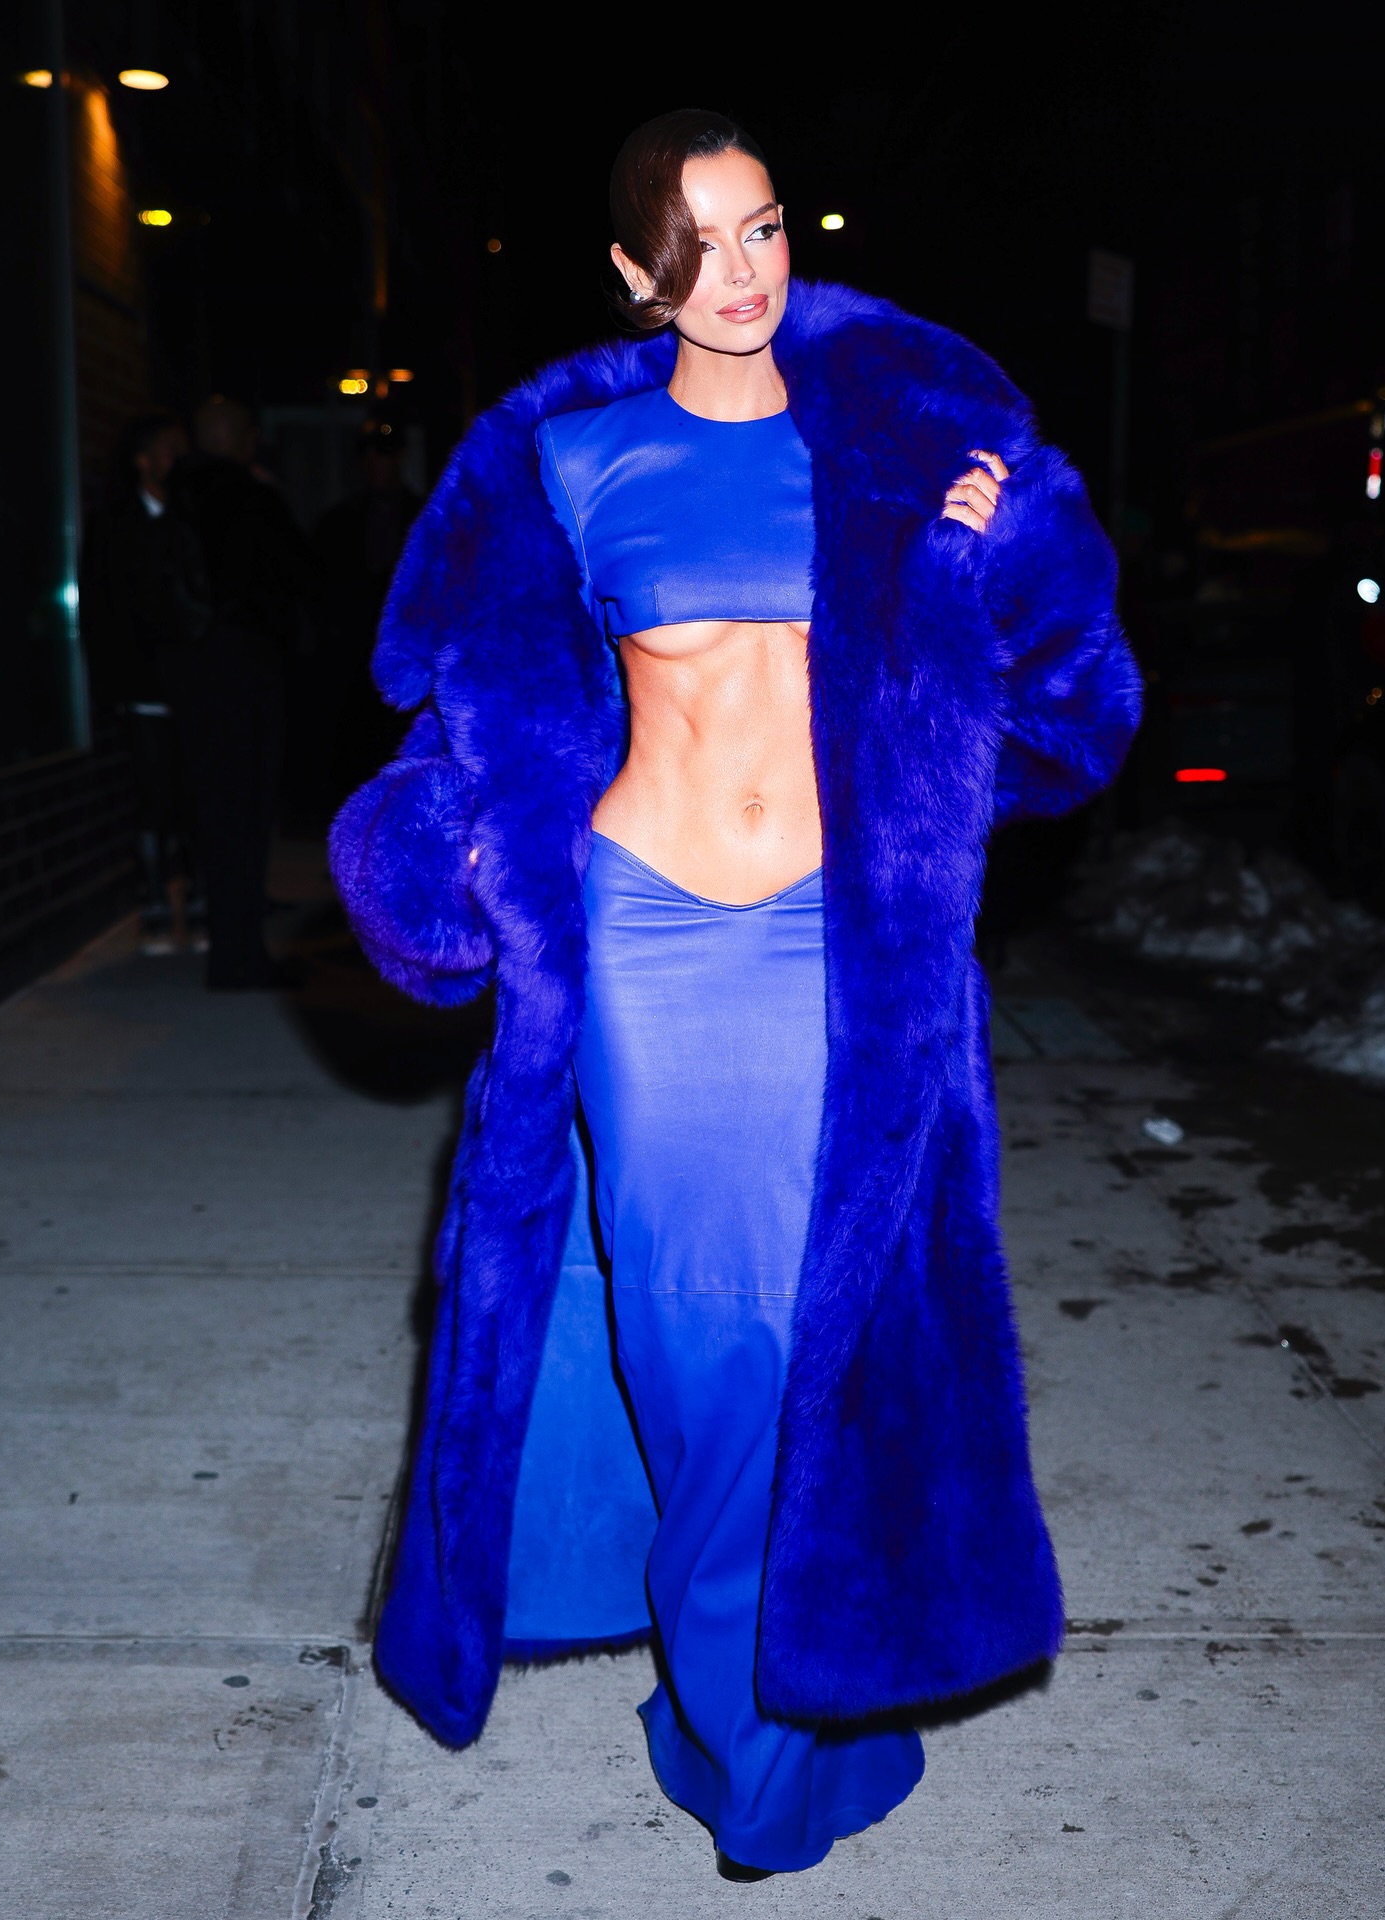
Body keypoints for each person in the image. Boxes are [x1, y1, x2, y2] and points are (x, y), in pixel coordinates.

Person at [331, 110, 1141, 1878]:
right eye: (700, 246)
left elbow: (1066, 726)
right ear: (636, 277)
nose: (746, 274)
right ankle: (744, 1747)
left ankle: (788, 1703)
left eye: (766, 228)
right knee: (696, 1343)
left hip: (834, 947)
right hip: (650, 945)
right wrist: (437, 867)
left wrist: (1005, 561)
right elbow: (477, 717)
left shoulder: (890, 447)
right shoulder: (571, 466)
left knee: (817, 1334)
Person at [170, 396, 313, 989]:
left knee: (218, 810)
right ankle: (237, 955)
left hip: (197, 668)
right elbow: (292, 576)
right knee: (244, 809)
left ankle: (232, 947)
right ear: (234, 436)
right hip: (242, 664)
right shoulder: (247, 498)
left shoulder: (175, 496)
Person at [81, 411, 207, 954]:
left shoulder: (191, 516)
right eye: (164, 449)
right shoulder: (117, 525)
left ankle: (199, 904)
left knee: (194, 795)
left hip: (193, 684)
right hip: (145, 686)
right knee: (154, 797)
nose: (175, 459)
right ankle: (156, 906)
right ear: (141, 458)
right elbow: (106, 610)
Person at [310, 420, 422, 813]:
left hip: (407, 666)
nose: (376, 462)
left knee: (404, 758)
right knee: (351, 758)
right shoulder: (336, 523)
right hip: (349, 667)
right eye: (368, 453)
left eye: (385, 452)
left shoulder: (425, 516)